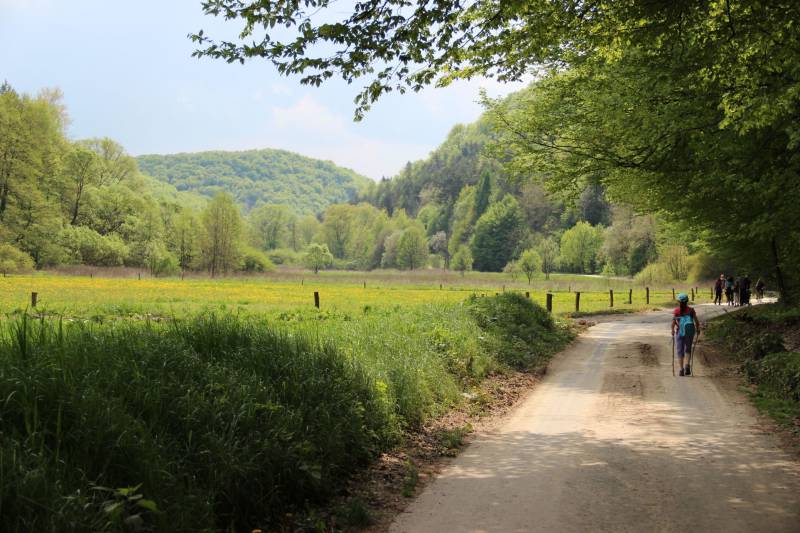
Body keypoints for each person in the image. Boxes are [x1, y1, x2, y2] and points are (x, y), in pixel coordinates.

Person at [672, 293, 700, 376]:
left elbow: (673, 322)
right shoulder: (691, 310)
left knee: (680, 350)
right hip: (689, 332)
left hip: (679, 332)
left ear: (679, 302)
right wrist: (698, 329)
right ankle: (687, 364)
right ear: (687, 301)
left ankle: (681, 370)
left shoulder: (676, 311)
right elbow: (696, 321)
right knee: (688, 349)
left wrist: (672, 330)